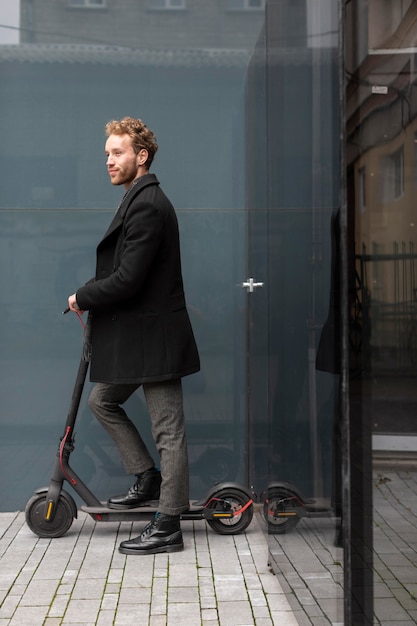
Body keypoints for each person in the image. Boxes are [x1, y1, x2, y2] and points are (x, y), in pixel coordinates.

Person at [68, 116, 200, 555]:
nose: (108, 160)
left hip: (155, 340)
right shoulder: (136, 199)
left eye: (117, 152)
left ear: (141, 156)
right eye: (106, 153)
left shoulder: (147, 204)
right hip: (142, 340)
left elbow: (128, 279)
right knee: (102, 400)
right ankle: (148, 477)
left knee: (169, 430)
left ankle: (168, 523)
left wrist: (83, 296)